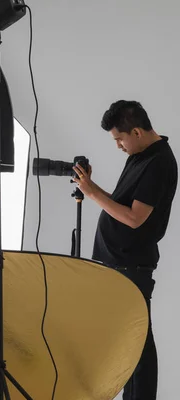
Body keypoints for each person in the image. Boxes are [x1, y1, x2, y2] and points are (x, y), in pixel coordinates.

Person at [73, 100, 177, 400]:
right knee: (129, 341)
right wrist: (89, 186)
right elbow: (121, 205)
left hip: (131, 267)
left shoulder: (159, 163)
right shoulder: (140, 155)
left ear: (136, 131)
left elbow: (134, 218)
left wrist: (92, 194)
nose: (118, 145)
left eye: (120, 139)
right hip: (117, 263)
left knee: (139, 343)